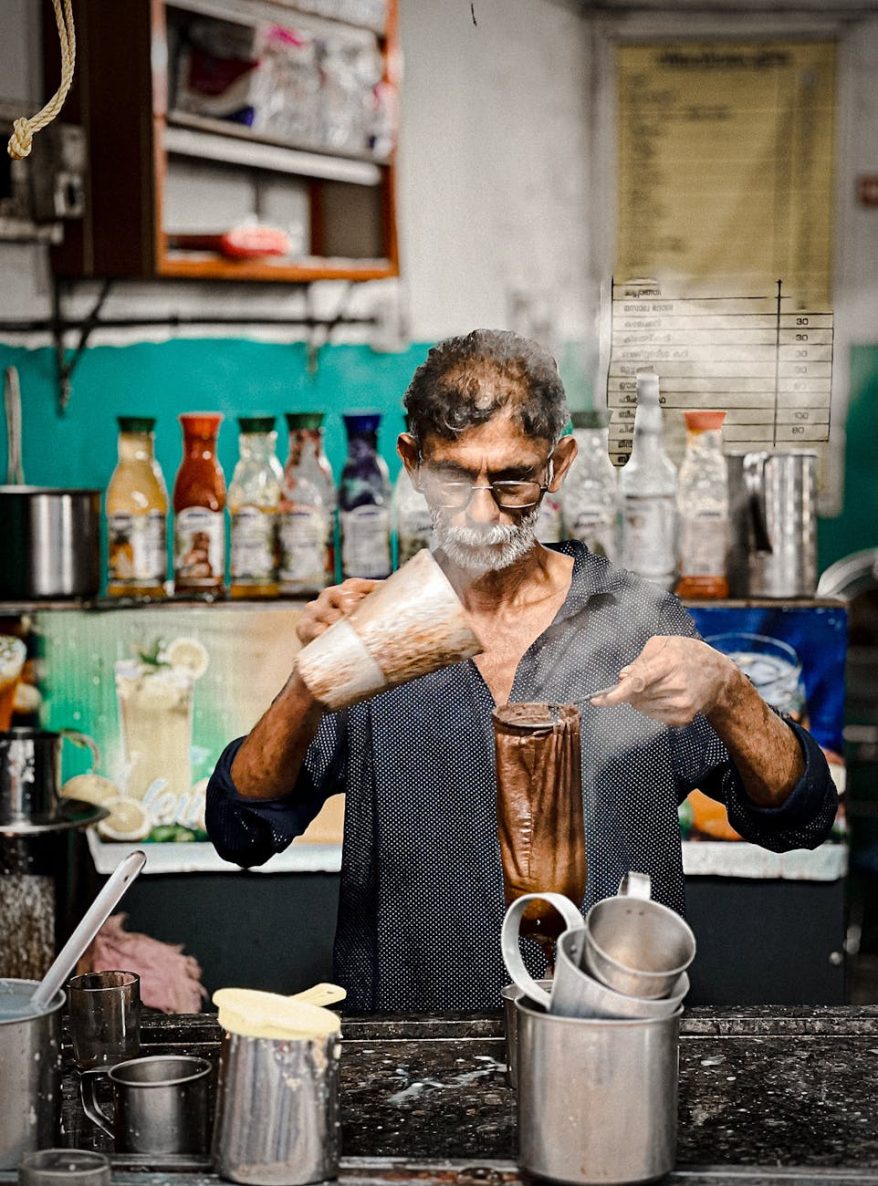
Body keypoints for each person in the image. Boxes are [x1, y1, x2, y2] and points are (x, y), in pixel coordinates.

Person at [206, 329, 838, 1013]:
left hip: (607, 1043)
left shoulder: (635, 620)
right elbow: (243, 829)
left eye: (511, 479)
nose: (482, 511)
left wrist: (728, 692)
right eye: (454, 476)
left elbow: (799, 820)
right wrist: (311, 683)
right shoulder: (376, 632)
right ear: (413, 461)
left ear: (558, 465)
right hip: (414, 1060)